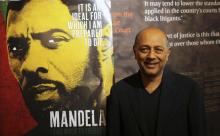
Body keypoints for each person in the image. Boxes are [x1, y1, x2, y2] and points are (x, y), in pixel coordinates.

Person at [6, 0, 113, 135]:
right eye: (16, 48)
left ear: (102, 42)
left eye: (54, 40)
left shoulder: (129, 122)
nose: (30, 66)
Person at [107, 27, 206, 136]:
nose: (151, 56)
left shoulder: (189, 90)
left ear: (167, 54)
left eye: (158, 49)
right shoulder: (119, 92)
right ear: (135, 52)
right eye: (144, 49)